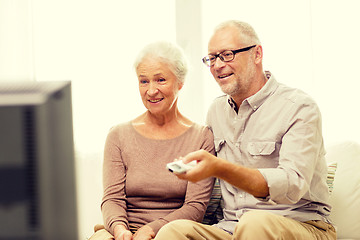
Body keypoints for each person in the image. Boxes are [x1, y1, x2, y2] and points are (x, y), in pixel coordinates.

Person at [154, 20, 336, 240]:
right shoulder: (216, 110)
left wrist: (220, 168)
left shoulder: (299, 107)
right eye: (211, 58)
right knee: (173, 231)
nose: (217, 65)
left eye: (227, 54)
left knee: (254, 222)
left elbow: (293, 185)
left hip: (300, 224)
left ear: (257, 54)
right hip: (231, 228)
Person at [91, 41, 215, 240]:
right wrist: (121, 231)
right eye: (144, 81)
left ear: (180, 82)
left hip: (173, 232)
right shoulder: (118, 135)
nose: (151, 91)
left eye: (160, 80)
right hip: (123, 231)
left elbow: (195, 207)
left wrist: (151, 230)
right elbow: (112, 199)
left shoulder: (201, 138)